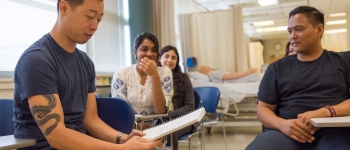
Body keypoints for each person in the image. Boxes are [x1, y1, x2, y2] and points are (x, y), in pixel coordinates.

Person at [13, 0, 161, 149]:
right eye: (90, 16)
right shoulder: (37, 60)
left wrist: (124, 139)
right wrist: (123, 148)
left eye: (99, 19)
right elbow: (56, 136)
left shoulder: (85, 63)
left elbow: (90, 120)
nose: (95, 26)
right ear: (64, 8)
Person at [246, 6, 350, 150]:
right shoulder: (276, 68)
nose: (292, 36)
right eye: (290, 30)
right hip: (286, 133)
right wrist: (281, 124)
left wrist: (326, 111)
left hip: (334, 132)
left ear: (319, 30)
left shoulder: (343, 61)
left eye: (299, 29)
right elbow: (263, 109)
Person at [111, 32, 172, 130]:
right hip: (126, 127)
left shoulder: (165, 72)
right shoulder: (122, 74)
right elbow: (120, 110)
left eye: (154, 50)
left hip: (155, 127)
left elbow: (161, 110)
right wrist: (136, 126)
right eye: (144, 49)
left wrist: (154, 75)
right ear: (135, 52)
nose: (149, 54)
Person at [158, 45, 197, 149]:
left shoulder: (184, 79)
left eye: (173, 58)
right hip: (159, 120)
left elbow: (190, 106)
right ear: (159, 58)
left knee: (170, 132)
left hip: (183, 120)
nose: (169, 60)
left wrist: (168, 115)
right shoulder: (153, 78)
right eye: (166, 56)